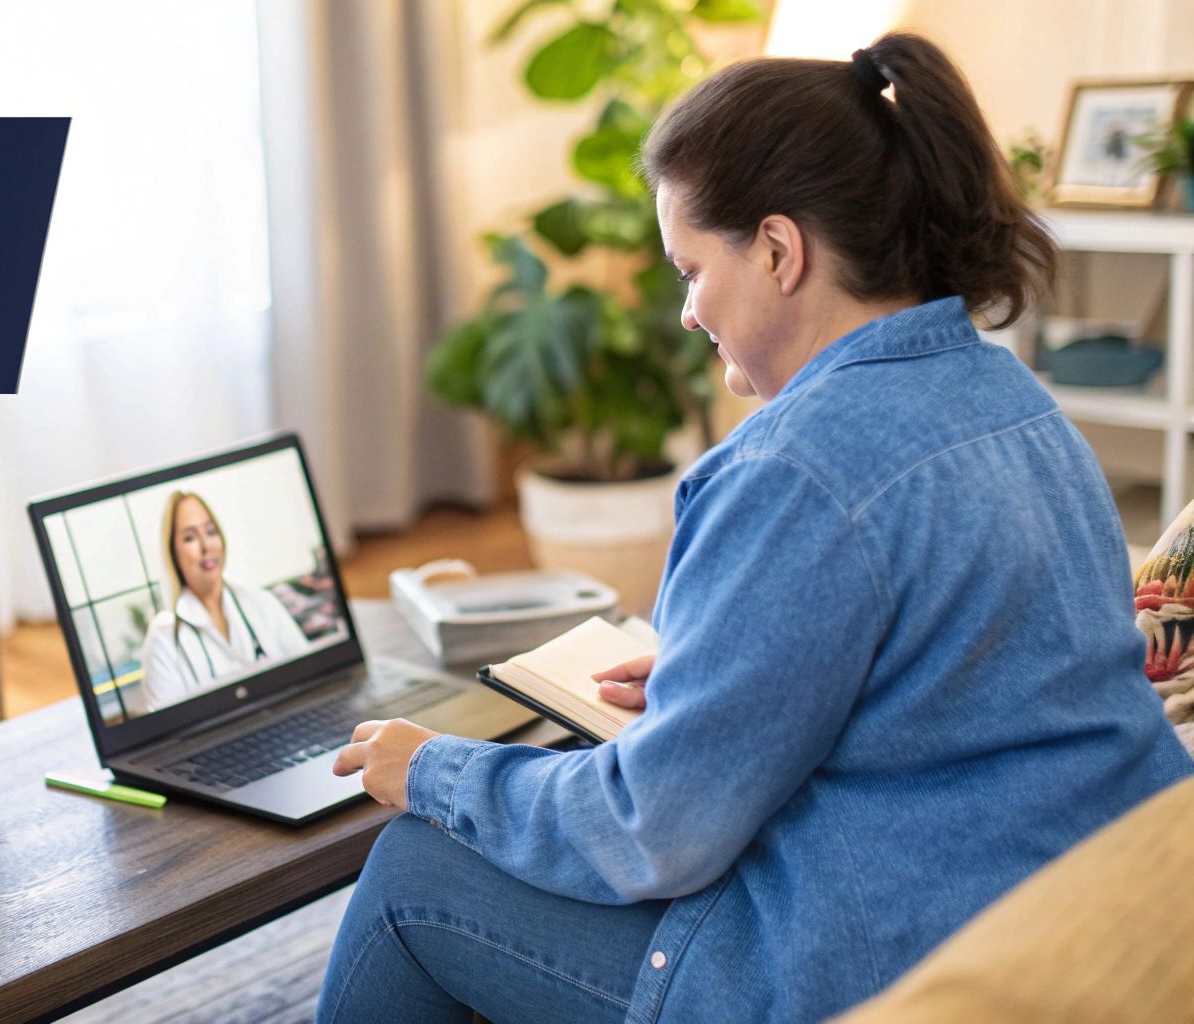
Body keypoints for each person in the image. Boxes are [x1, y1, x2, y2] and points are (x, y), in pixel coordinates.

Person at [322, 33, 1194, 1024]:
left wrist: (433, 767)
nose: (687, 311)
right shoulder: (1016, 403)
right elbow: (976, 671)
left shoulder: (788, 469)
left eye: (690, 270)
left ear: (779, 251)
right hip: (1085, 904)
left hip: (894, 957)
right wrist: (736, 675)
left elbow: (652, 833)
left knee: (413, 870)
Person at [137, 490, 309, 712]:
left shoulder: (263, 604)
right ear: (173, 553)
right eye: (189, 537)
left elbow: (310, 674)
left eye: (210, 531)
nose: (206, 546)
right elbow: (169, 731)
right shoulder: (163, 639)